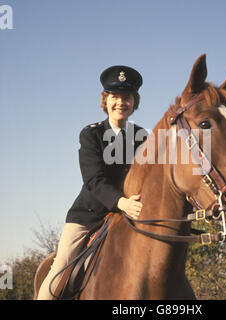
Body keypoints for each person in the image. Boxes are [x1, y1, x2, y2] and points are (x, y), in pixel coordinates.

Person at [37, 65, 147, 300]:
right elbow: (93, 180)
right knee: (59, 271)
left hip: (132, 215)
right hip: (89, 216)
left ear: (134, 102)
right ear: (105, 100)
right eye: (115, 97)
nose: (121, 103)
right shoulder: (91, 134)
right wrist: (121, 203)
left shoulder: (143, 138)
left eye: (126, 98)